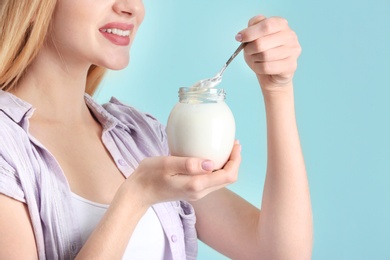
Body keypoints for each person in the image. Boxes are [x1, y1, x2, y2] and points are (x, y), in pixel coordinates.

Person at [0, 0, 312, 259]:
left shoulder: (140, 137)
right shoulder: (7, 148)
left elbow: (280, 253)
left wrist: (277, 90)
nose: (132, 7)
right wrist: (136, 196)